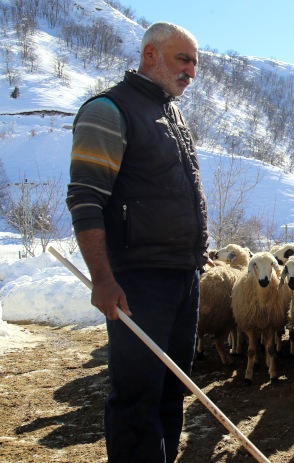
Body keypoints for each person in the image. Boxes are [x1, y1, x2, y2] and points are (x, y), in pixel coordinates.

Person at [65, 22, 208, 463]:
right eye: (182, 59)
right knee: (136, 397)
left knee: (171, 389)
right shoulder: (110, 110)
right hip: (139, 281)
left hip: (182, 276)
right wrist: (102, 279)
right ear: (150, 55)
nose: (190, 72)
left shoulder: (171, 113)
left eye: (195, 63)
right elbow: (86, 199)